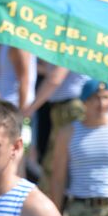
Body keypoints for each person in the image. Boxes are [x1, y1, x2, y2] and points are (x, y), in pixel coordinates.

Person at [49, 79, 108, 216]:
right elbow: (58, 178)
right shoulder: (68, 133)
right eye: (95, 98)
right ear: (84, 101)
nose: (101, 104)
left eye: (105, 97)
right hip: (80, 209)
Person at [26, 64, 87, 195]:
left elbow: (55, 78)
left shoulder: (70, 44)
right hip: (63, 109)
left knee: (55, 167)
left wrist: (28, 110)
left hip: (69, 109)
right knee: (54, 167)